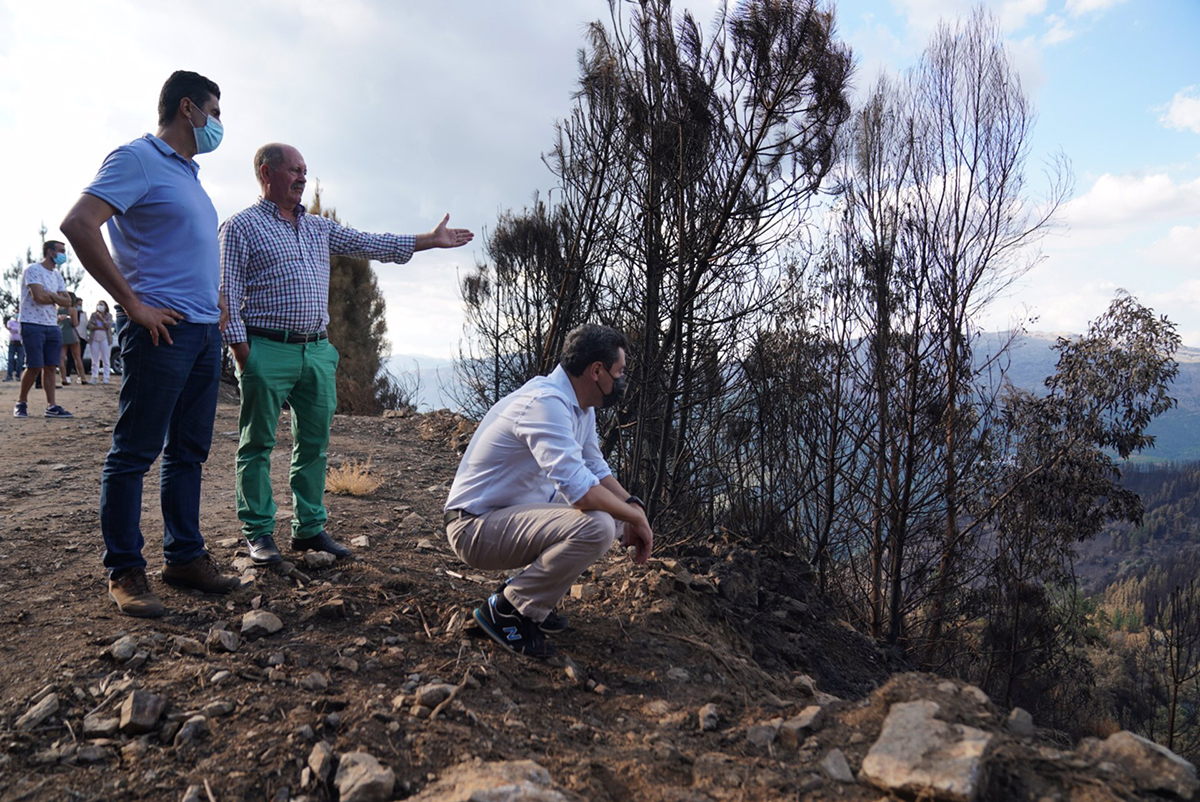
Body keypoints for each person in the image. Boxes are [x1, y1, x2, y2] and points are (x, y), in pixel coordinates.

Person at [220, 143, 473, 566]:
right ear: (267, 173)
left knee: (314, 444)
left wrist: (429, 240)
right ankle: (260, 534)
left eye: (305, 170)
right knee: (257, 444)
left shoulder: (318, 227)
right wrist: (244, 353)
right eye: (294, 170)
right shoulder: (240, 226)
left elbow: (370, 242)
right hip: (265, 348)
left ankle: (309, 528)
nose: (302, 177)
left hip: (316, 350)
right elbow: (225, 292)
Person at [61, 70, 238, 618]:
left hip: (203, 333)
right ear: (188, 109)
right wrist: (132, 303)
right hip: (161, 332)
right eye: (214, 109)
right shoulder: (136, 158)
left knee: (189, 453)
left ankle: (184, 557)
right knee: (135, 453)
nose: (218, 122)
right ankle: (125, 571)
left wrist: (216, 306)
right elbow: (80, 224)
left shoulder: (190, 174)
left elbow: (183, 249)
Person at [443, 324, 655, 658]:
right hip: (474, 527)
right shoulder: (546, 403)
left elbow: (595, 468)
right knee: (598, 523)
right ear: (596, 371)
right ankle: (509, 610)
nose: (621, 382)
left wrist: (631, 506)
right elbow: (583, 493)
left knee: (612, 517)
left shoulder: (579, 406)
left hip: (506, 518)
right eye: (619, 373)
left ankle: (537, 602)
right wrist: (635, 517)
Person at [13, 241, 74, 418]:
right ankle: (21, 402)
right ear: (50, 252)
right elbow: (38, 296)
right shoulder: (33, 269)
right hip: (32, 323)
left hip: (52, 325)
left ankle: (52, 406)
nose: (64, 254)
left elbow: (68, 302)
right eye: (61, 251)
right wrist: (57, 298)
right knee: (34, 365)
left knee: (50, 366)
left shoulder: (57, 275)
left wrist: (52, 295)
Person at [58, 293, 88, 385]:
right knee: (77, 357)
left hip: (61, 333)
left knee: (61, 357)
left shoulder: (58, 310)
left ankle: (63, 378)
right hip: (72, 334)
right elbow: (75, 324)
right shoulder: (73, 310)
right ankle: (82, 377)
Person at [87, 300, 114, 384]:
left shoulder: (108, 315)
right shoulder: (93, 315)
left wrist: (102, 319)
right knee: (95, 359)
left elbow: (108, 325)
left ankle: (106, 377)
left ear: (105, 306)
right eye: (98, 304)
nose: (100, 306)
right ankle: (94, 377)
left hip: (105, 339)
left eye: (102, 305)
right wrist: (97, 327)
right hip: (94, 339)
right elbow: (89, 325)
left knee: (105, 358)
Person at [4, 315, 23, 381]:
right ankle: (9, 376)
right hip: (12, 343)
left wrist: (13, 328)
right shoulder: (10, 322)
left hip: (21, 344)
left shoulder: (22, 322)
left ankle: (18, 376)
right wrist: (18, 329)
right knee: (10, 360)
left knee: (20, 361)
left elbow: (21, 330)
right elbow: (9, 328)